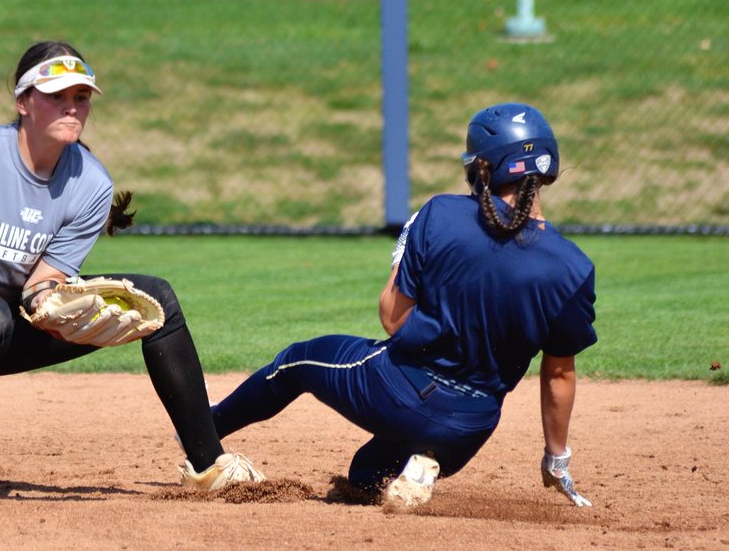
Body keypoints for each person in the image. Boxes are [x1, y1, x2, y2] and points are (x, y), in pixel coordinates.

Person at [0, 40, 263, 506]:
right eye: (56, 96)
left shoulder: (90, 185)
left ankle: (208, 464)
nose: (72, 108)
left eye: (81, 98)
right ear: (23, 102)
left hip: (2, 326)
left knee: (156, 301)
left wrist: (62, 308)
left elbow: (39, 285)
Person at [208, 102, 597, 509]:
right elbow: (558, 376)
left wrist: (402, 249)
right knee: (363, 477)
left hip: (399, 389)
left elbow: (392, 317)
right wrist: (556, 459)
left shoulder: (444, 213)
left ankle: (206, 428)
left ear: (483, 168)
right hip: (468, 428)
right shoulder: (574, 267)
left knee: (295, 362)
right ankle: (422, 467)